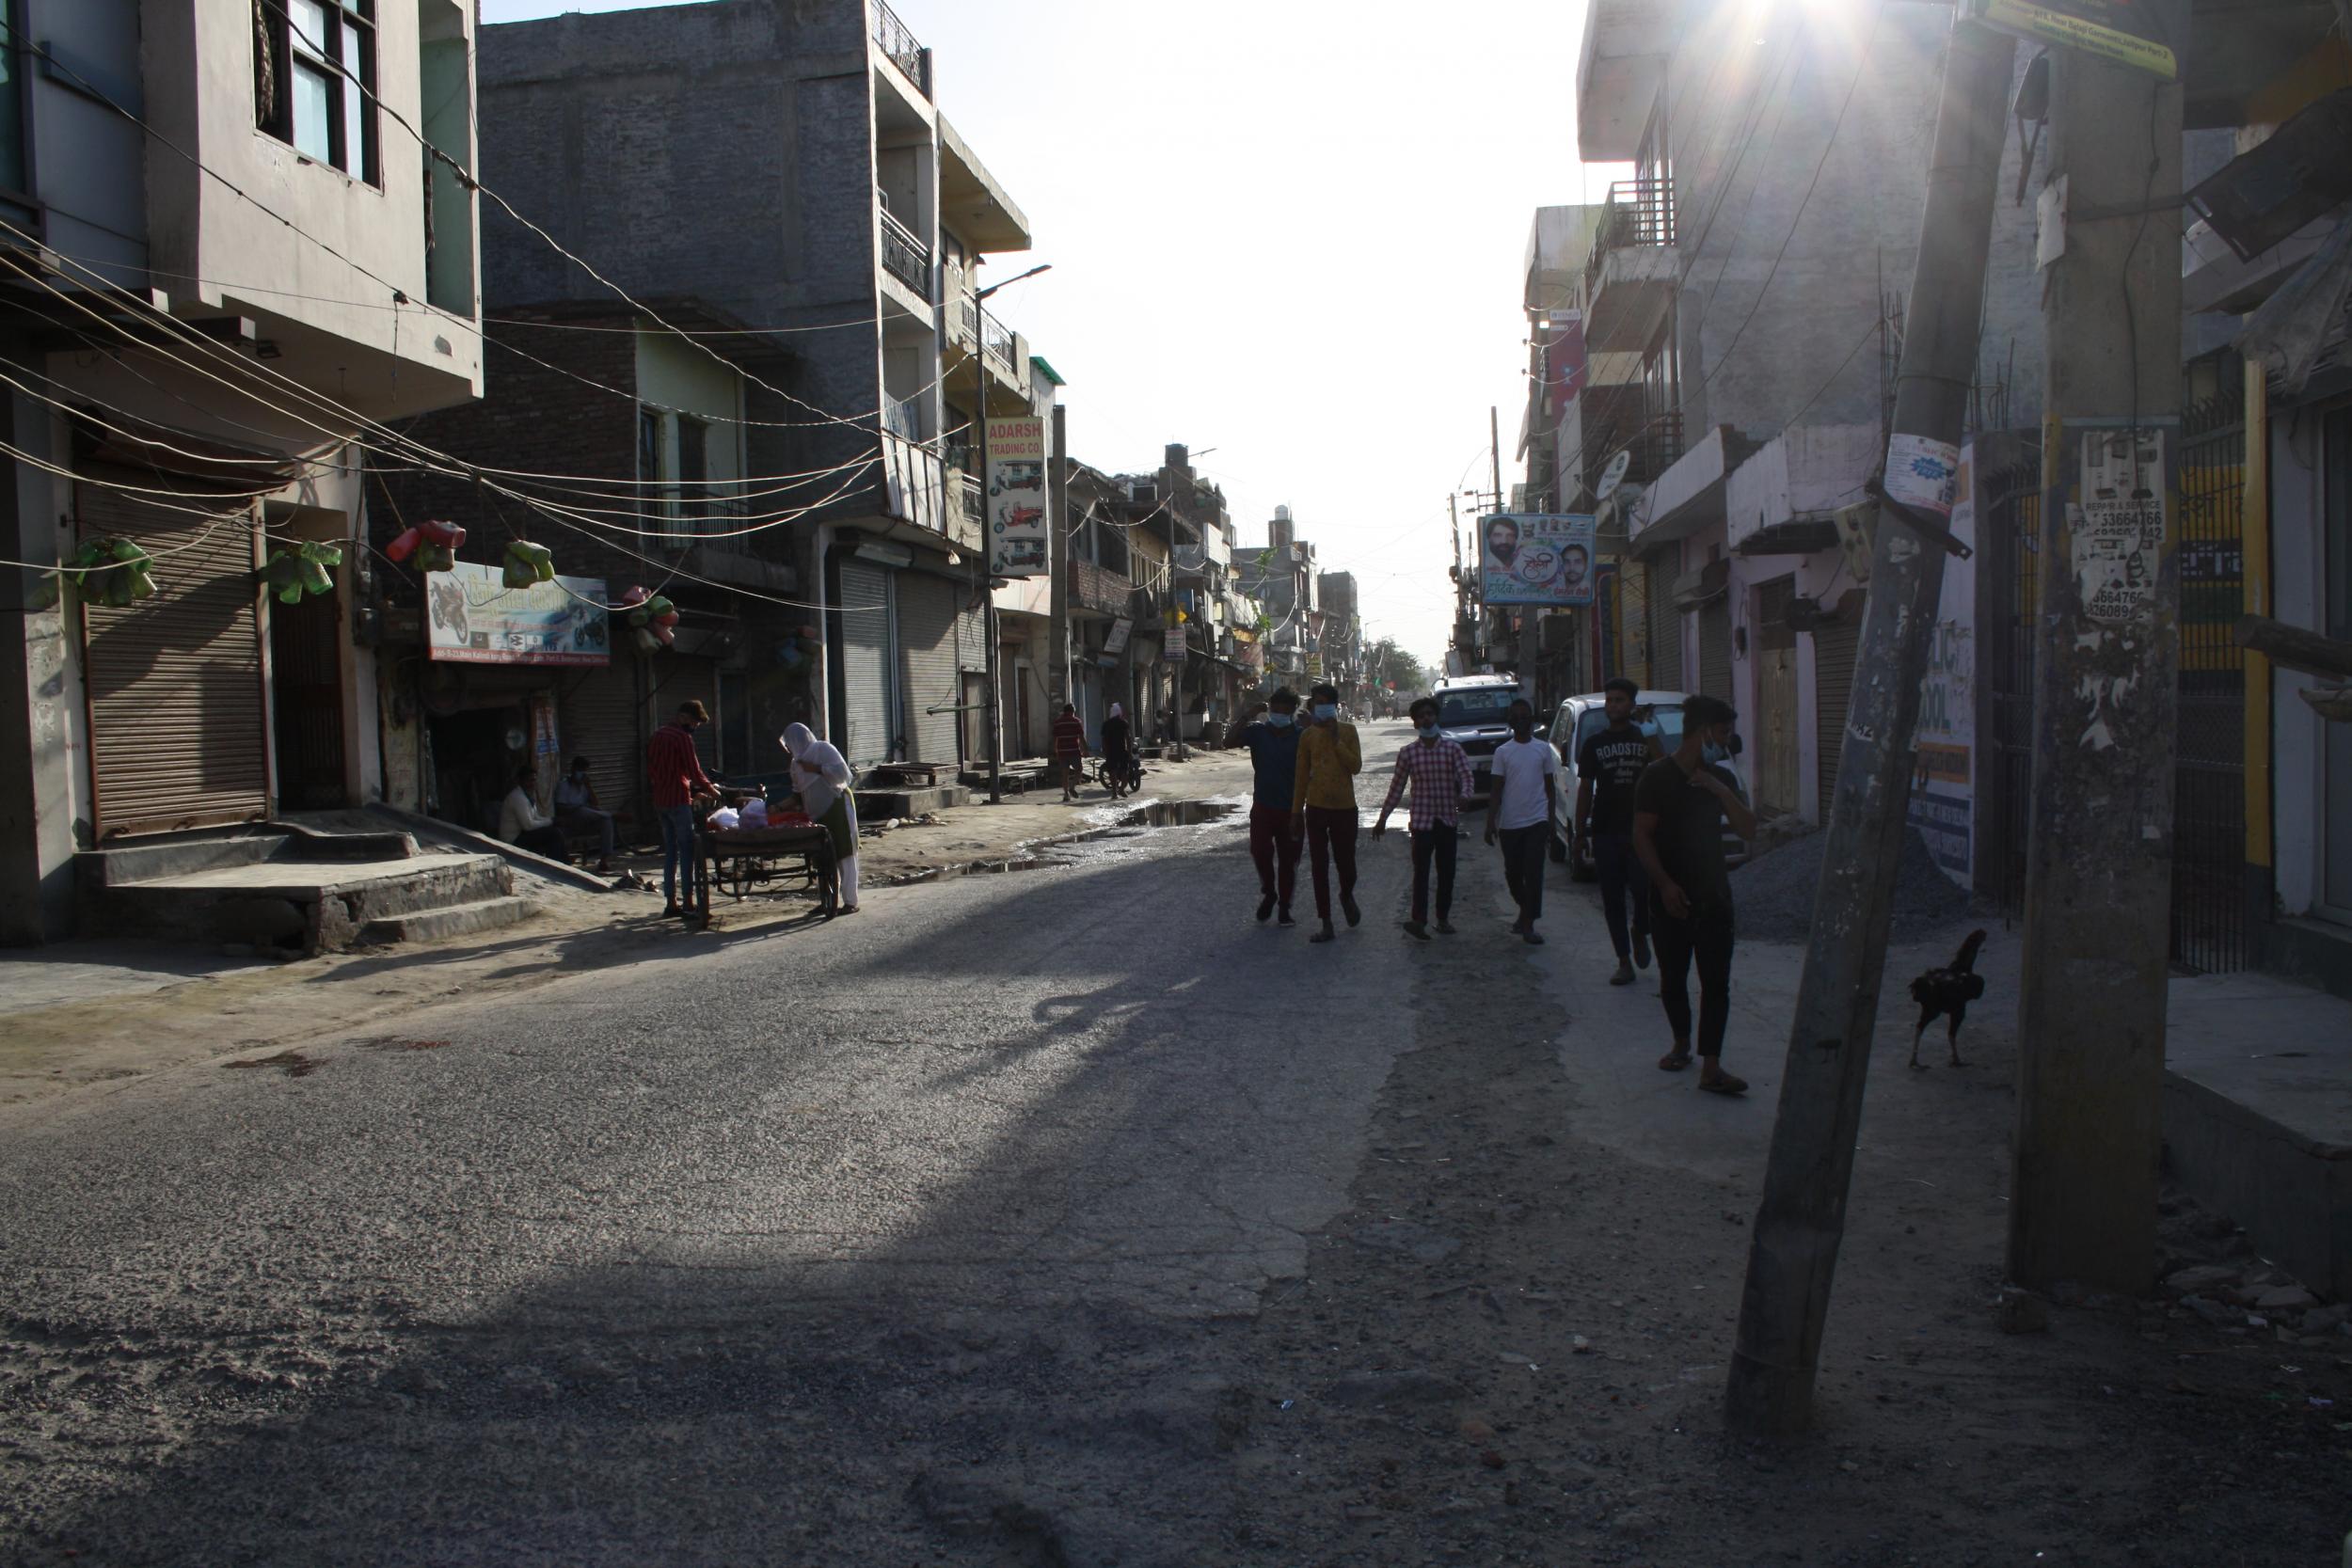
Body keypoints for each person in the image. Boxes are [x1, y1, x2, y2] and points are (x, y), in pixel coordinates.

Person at [1632, 693, 1758, 1096]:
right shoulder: (1656, 776)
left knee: (1715, 983)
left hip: (1714, 897)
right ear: (1703, 731)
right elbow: (1642, 836)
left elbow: (1749, 829)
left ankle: (1712, 1066)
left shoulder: (1721, 778)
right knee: (1673, 979)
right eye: (1722, 733)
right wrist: (1665, 884)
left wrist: (1717, 789)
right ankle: (1682, 1044)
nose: (1725, 741)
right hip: (1671, 898)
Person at [1577, 677, 1664, 985]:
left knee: (1643, 890)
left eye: (1620, 700)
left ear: (1632, 705)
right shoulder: (1594, 744)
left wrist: (1649, 732)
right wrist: (1578, 833)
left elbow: (1663, 770)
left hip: (1640, 831)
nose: (1613, 705)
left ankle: (1640, 930)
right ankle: (1623, 960)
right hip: (1605, 831)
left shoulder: (1645, 738)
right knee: (1612, 898)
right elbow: (1586, 788)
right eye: (1610, 700)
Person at [1372, 695, 1474, 940]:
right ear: (1415, 723)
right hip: (1421, 822)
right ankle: (1418, 920)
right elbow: (1396, 788)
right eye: (1421, 716)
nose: (1426, 719)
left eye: (1430, 714)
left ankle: (1442, 918)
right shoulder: (1408, 753)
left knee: (1446, 872)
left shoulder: (1452, 749)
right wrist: (1383, 818)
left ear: (1436, 718)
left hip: (1447, 821)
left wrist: (1466, 795)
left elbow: (1466, 776)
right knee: (1421, 873)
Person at [1290, 683, 1362, 945]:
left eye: (1326, 703)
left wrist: (1336, 740)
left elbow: (1355, 766)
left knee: (1347, 864)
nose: (1321, 707)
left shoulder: (1349, 731)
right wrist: (1296, 812)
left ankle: (1346, 894)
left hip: (1345, 808)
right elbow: (1300, 776)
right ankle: (1326, 922)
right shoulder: (1307, 736)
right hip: (1317, 807)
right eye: (1317, 703)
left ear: (1334, 705)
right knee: (1319, 867)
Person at [1486, 696, 1561, 944]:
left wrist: (1551, 820)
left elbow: (1550, 789)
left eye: (1525, 716)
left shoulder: (1542, 749)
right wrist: (1490, 822)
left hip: (1537, 821)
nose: (1521, 721)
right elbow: (1496, 791)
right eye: (1515, 717)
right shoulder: (1502, 752)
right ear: (1510, 721)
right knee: (1513, 874)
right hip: (1510, 824)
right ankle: (1524, 911)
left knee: (1534, 872)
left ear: (1532, 720)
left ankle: (1529, 923)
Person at [1232, 688, 1305, 925]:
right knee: (1259, 852)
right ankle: (1269, 892)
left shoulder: (1302, 735)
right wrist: (1248, 714)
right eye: (1275, 709)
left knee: (1288, 861)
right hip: (1263, 806)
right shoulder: (1257, 732)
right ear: (1269, 709)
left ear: (1293, 711)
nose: (1279, 713)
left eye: (1285, 710)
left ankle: (1285, 907)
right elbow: (1228, 740)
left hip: (1291, 809)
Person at [646, 699, 719, 917]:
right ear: (684, 717)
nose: (694, 728)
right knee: (687, 849)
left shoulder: (658, 735)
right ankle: (688, 900)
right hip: (678, 799)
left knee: (671, 852)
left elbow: (652, 769)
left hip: (661, 800)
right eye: (695, 723)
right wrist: (711, 790)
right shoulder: (682, 737)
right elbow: (694, 771)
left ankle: (671, 902)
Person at [783, 721, 861, 915]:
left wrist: (817, 769)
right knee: (822, 859)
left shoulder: (823, 749)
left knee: (845, 854)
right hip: (816, 814)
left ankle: (851, 902)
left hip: (837, 807)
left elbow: (844, 775)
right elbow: (797, 795)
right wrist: (776, 808)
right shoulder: (795, 765)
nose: (788, 748)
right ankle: (827, 898)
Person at [552, 755, 615, 873]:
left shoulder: (585, 786)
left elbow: (596, 803)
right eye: (579, 770)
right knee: (582, 810)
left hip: (586, 823)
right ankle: (610, 814)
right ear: (573, 770)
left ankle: (604, 860)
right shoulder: (564, 785)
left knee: (606, 821)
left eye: (584, 771)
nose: (582, 773)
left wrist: (589, 786)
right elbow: (560, 808)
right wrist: (578, 808)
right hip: (571, 822)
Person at [497, 766, 572, 863]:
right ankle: (557, 864)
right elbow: (528, 825)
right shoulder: (517, 797)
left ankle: (564, 863)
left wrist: (552, 820)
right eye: (529, 781)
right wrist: (551, 821)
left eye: (534, 780)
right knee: (554, 834)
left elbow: (536, 817)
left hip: (522, 834)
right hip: (512, 840)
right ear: (520, 781)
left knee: (556, 832)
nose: (532, 784)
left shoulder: (527, 795)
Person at [1051, 702, 1089, 801]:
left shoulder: (1057, 722)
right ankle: (1072, 787)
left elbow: (1055, 737)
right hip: (1073, 751)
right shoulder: (1076, 721)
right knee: (1079, 770)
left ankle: (1066, 794)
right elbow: (1081, 737)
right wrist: (1085, 750)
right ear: (1072, 712)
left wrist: (1055, 750)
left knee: (1065, 774)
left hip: (1062, 751)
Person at [1101, 703, 1134, 794]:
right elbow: (1128, 738)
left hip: (1110, 751)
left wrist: (1104, 750)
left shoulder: (1106, 724)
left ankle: (1115, 791)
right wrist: (1130, 752)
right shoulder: (1123, 722)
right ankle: (1122, 789)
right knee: (1124, 770)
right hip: (1122, 750)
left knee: (1112, 771)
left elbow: (1103, 739)